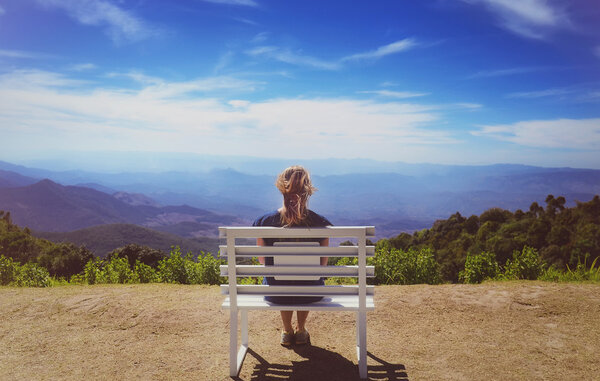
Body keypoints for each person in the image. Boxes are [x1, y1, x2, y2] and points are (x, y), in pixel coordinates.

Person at [252, 165, 332, 347]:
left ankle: (287, 331)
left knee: (280, 280)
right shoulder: (320, 223)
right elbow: (323, 265)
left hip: (276, 292)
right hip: (311, 292)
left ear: (282, 189)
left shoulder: (263, 222)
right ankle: (301, 330)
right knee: (308, 280)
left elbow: (262, 259)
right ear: (308, 192)